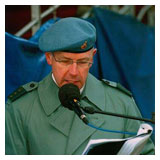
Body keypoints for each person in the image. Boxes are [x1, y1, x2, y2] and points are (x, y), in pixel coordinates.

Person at [5, 17, 155, 155]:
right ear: (49, 58)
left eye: (83, 62)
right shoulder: (20, 110)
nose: (74, 72)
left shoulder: (121, 104)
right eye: (65, 61)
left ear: (93, 56)